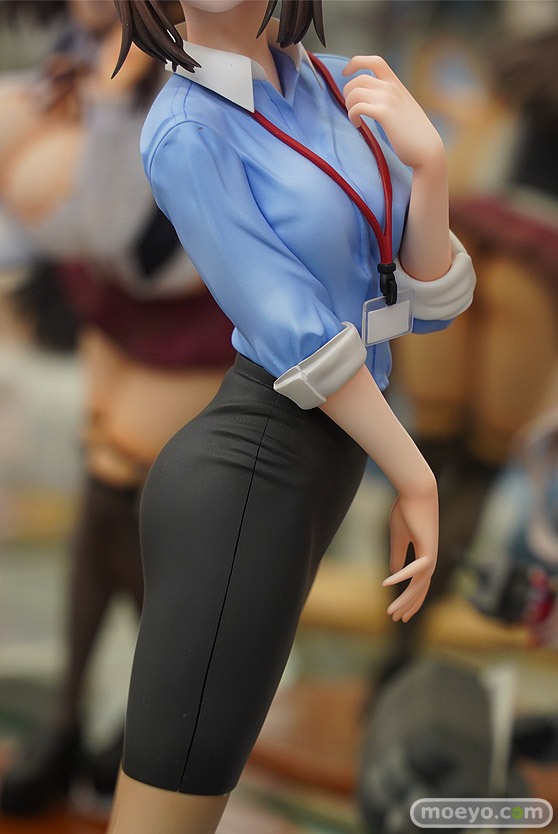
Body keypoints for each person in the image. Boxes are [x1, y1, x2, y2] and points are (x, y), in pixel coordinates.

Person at [106, 2, 476, 832]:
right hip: (249, 474)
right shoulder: (187, 130)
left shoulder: (339, 82)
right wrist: (414, 474)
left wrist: (430, 168)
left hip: (322, 463)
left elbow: (422, 308)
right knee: (172, 802)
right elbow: (294, 331)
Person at [0, 0, 234, 814]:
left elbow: (121, 227)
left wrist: (104, 108)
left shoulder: (195, 54)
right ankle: (75, 722)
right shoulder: (91, 46)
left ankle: (151, 722)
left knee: (130, 505)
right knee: (102, 498)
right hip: (120, 297)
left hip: (194, 302)